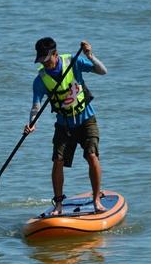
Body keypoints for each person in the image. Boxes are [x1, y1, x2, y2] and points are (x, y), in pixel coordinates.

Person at [23, 37, 108, 215]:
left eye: (47, 60)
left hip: (86, 119)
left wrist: (90, 56)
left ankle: (96, 199)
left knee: (91, 155)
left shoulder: (73, 61)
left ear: (55, 54)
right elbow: (36, 106)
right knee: (57, 161)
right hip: (64, 125)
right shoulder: (40, 80)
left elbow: (103, 71)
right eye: (41, 61)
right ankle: (59, 203)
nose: (44, 64)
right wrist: (32, 123)